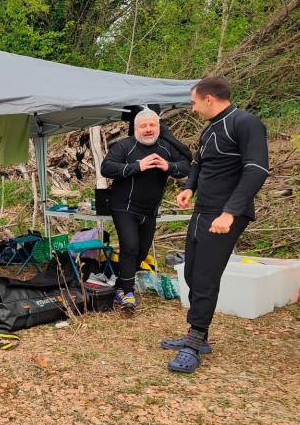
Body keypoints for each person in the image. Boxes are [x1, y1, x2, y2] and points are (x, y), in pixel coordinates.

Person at [163, 76, 269, 373]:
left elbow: (256, 170)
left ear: (209, 98)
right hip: (203, 211)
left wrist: (230, 212)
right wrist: (188, 187)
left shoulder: (245, 123)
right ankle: (198, 335)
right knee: (193, 273)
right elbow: (198, 163)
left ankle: (194, 342)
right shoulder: (210, 129)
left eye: (195, 102)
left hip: (224, 213)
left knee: (207, 276)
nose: (193, 108)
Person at [101, 108, 190, 312]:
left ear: (159, 127)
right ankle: (129, 294)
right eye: (144, 126)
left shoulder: (166, 147)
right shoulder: (125, 146)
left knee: (141, 252)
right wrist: (136, 166)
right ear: (136, 128)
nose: (148, 130)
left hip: (149, 210)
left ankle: (120, 286)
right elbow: (106, 167)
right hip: (124, 207)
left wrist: (168, 166)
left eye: (152, 125)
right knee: (130, 247)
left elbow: (186, 166)